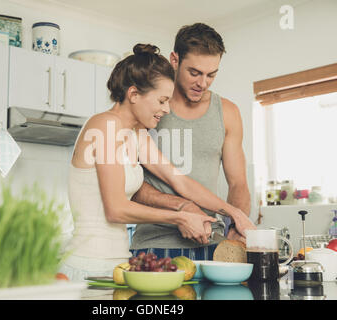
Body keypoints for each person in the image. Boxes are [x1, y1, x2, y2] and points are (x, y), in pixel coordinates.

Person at [60, 43, 254, 280]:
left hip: (119, 266)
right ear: (133, 94)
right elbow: (116, 209)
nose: (166, 109)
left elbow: (179, 180)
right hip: (86, 265)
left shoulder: (136, 133)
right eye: (162, 101)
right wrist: (179, 217)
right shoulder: (105, 126)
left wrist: (235, 213)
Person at [130, 23, 255, 260]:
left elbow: (238, 183)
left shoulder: (227, 112)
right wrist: (182, 207)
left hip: (214, 244)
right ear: (174, 60)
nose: (203, 83)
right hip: (154, 244)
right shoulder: (149, 108)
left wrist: (235, 228)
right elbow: (129, 181)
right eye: (195, 73)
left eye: (211, 75)